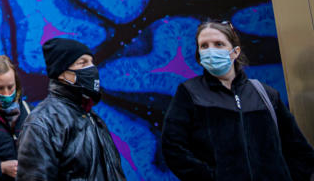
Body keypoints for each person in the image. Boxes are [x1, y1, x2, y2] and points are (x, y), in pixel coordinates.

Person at [161, 20, 314, 181]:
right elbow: (173, 147)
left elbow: (298, 148)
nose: (210, 50)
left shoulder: (265, 93)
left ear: (235, 52)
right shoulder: (190, 92)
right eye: (204, 46)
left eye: (219, 44)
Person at [16, 38, 126, 181]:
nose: (92, 68)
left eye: (92, 62)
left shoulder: (92, 118)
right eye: (83, 63)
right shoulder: (42, 122)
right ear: (62, 73)